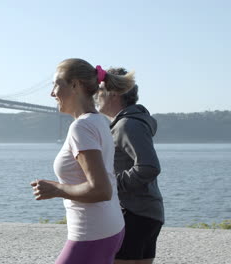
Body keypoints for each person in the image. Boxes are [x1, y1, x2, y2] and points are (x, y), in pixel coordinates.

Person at [30, 58, 135, 264]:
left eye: (56, 85)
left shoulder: (82, 127)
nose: (52, 93)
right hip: (109, 226)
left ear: (75, 85)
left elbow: (101, 190)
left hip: (91, 232)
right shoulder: (99, 121)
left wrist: (57, 189)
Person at [95, 67, 164, 264]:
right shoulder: (130, 122)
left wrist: (110, 184)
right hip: (146, 211)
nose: (95, 96)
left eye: (99, 91)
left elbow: (149, 166)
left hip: (134, 212)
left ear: (114, 94)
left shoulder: (127, 125)